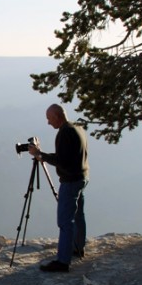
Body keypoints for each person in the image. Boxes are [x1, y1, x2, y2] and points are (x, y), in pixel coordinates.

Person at [28, 103, 89, 272]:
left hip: (70, 181)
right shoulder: (77, 127)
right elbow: (68, 156)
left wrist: (40, 155)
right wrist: (43, 155)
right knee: (78, 215)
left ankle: (63, 261)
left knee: (64, 220)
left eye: (49, 119)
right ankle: (78, 247)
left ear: (57, 116)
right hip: (82, 176)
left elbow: (62, 161)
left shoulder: (64, 133)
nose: (48, 123)